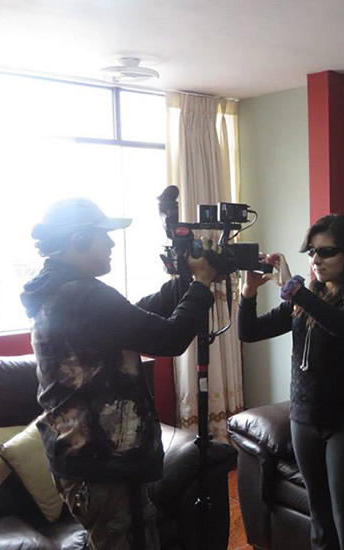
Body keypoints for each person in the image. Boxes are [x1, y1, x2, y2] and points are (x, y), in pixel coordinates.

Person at [21, 198, 219, 550]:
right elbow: (169, 338)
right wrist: (202, 284)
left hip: (86, 460)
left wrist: (183, 283)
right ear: (79, 240)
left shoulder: (61, 289)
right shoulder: (86, 295)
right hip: (104, 463)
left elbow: (133, 318)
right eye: (104, 236)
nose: (112, 243)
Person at [237, 214, 344, 550]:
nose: (316, 259)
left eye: (326, 252)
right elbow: (249, 331)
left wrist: (296, 291)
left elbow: (343, 326)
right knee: (320, 519)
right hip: (303, 419)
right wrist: (248, 292)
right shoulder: (304, 301)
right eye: (312, 251)